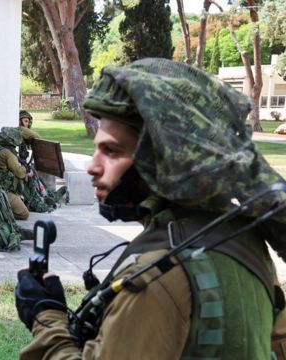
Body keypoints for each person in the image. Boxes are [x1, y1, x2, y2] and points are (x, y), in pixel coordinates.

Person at [15, 58, 286, 359]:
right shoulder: (244, 243)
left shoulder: (159, 278)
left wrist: (46, 318)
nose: (93, 166)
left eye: (112, 151)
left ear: (162, 162)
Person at [17, 110, 68, 212]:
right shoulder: (20, 130)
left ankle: (48, 195)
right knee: (32, 180)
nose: (27, 124)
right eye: (25, 121)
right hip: (18, 168)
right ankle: (44, 199)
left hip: (21, 165)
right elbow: (36, 136)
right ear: (19, 121)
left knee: (35, 176)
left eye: (28, 122)